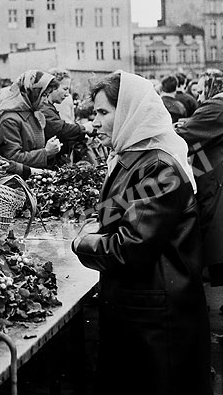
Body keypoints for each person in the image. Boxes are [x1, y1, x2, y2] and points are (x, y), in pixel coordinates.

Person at [72, 71, 211, 395]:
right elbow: (113, 211)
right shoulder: (130, 159)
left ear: (128, 113)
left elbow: (131, 246)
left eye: (104, 113)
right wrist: (92, 220)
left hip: (157, 320)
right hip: (139, 309)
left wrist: (82, 241)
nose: (96, 122)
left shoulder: (159, 166)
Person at [175, 69, 223, 285]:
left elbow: (186, 137)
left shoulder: (215, 106)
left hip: (215, 178)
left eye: (202, 89)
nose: (199, 96)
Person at [0, 70, 62, 170]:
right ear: (32, 93)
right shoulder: (10, 120)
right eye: (44, 95)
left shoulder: (34, 114)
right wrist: (46, 152)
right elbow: (12, 158)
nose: (46, 101)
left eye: (47, 95)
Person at [40, 68, 90, 163]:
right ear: (52, 87)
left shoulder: (49, 107)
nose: (67, 94)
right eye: (65, 89)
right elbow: (61, 130)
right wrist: (84, 128)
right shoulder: (45, 109)